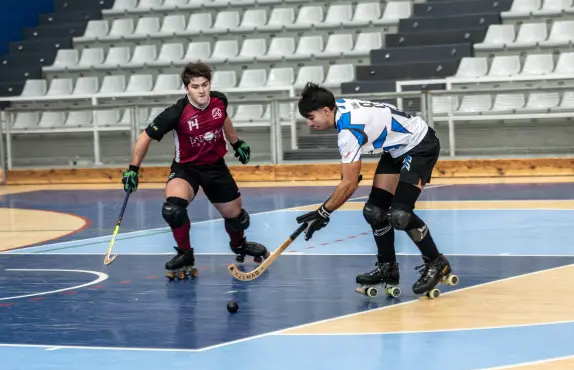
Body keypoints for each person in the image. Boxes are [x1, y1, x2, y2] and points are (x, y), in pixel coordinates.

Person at [295, 82, 456, 298]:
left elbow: (349, 184)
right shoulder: (338, 107)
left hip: (419, 145)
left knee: (400, 215)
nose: (308, 122)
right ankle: (387, 267)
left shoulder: (348, 132)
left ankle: (437, 263)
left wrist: (323, 212)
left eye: (311, 117)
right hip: (396, 148)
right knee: (374, 211)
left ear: (326, 110)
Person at [121, 61, 269, 280]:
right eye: (195, 86)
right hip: (186, 169)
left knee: (238, 218)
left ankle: (239, 246)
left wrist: (236, 142)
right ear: (186, 88)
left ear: (210, 84)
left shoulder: (220, 101)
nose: (201, 90)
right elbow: (145, 137)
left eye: (205, 85)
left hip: (216, 167)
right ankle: (185, 254)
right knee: (173, 209)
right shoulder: (176, 112)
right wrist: (133, 169)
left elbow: (223, 118)